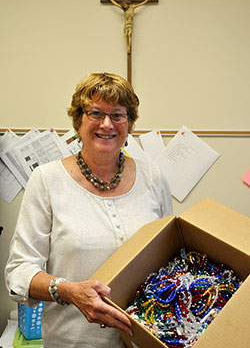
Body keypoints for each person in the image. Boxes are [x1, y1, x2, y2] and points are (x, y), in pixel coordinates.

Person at [5, 72, 173, 348]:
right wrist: (69, 291)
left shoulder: (153, 177)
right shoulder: (47, 180)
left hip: (143, 341)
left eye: (118, 115)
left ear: (129, 124)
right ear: (78, 121)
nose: (107, 124)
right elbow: (19, 272)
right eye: (96, 112)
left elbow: (167, 258)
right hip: (73, 342)